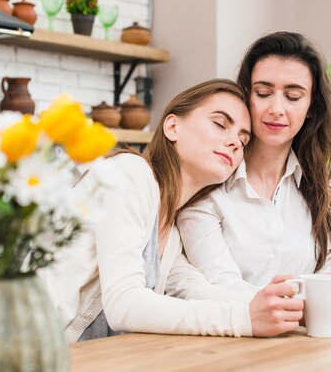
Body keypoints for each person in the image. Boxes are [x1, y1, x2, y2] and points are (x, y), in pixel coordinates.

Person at [39, 79, 307, 343]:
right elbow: (124, 303)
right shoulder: (130, 174)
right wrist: (242, 319)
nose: (235, 143)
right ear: (172, 126)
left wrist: (293, 309)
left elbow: (196, 290)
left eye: (243, 139)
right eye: (220, 124)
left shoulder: (171, 227)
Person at [177, 32, 331, 326]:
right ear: (246, 97)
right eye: (263, 93)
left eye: (292, 96)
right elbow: (222, 288)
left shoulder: (322, 191)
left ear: (311, 107)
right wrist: (323, 304)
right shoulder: (208, 187)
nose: (276, 109)